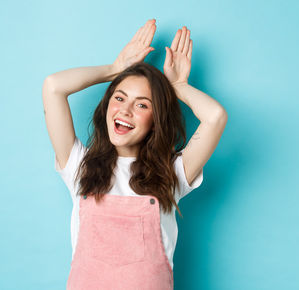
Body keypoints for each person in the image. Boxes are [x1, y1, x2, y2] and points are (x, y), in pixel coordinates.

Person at [42, 19, 228, 289]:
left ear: (156, 120)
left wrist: (176, 86)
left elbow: (215, 117)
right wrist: (114, 70)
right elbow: (53, 86)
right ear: (106, 107)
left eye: (142, 104)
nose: (125, 111)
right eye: (119, 98)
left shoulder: (173, 171)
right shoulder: (79, 166)